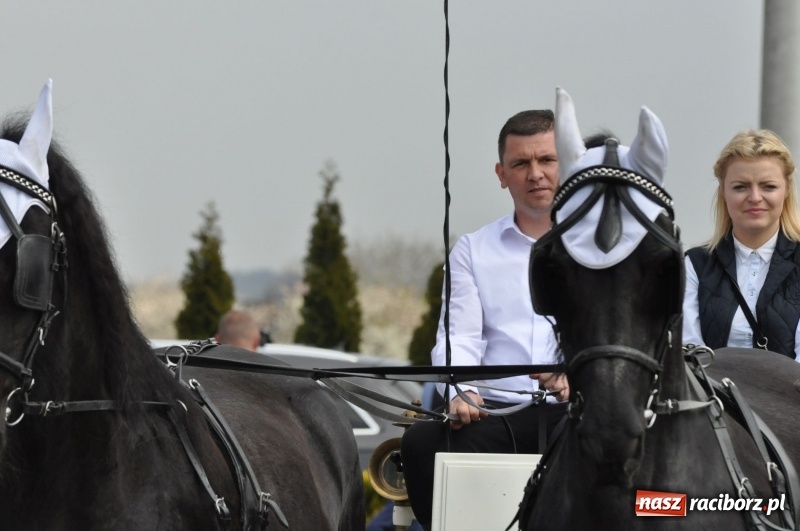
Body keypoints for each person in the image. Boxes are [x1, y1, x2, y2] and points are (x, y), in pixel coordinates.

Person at [400, 110, 573, 530]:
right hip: (494, 416)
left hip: (577, 414)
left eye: (547, 160)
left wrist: (578, 375)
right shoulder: (472, 250)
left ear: (567, 164)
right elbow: (458, 334)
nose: (536, 174)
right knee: (421, 444)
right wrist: (461, 390)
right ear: (501, 173)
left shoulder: (602, 246)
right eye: (521, 163)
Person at [683, 129, 800, 360]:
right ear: (723, 192)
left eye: (768, 186)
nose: (755, 197)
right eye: (740, 186)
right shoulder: (695, 265)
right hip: (712, 395)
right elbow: (688, 355)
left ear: (786, 190)